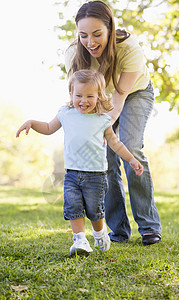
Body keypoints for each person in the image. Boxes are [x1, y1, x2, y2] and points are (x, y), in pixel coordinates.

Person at [64, 1, 162, 245]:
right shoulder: (73, 54)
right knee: (104, 159)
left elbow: (119, 98)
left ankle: (149, 227)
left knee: (130, 146)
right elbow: (78, 96)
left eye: (97, 34)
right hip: (99, 99)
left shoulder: (129, 49)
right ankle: (118, 231)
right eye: (83, 35)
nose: (90, 42)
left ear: (109, 29)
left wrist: (100, 132)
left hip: (134, 93)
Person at [16, 69, 143, 256]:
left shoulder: (102, 120)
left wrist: (131, 159)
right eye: (79, 95)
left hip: (96, 175)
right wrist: (33, 123)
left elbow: (115, 143)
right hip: (72, 173)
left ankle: (99, 235)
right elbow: (49, 128)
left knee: (94, 209)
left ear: (99, 96)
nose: (83, 101)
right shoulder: (65, 114)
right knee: (73, 206)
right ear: (71, 94)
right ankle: (80, 240)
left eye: (90, 96)